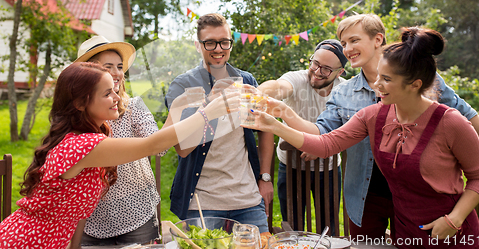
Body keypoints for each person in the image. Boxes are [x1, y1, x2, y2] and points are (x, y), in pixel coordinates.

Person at [246, 27, 479, 248]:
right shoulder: (373, 116)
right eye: (377, 77)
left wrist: (454, 219)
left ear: (415, 84)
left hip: (453, 234)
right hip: (408, 234)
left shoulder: (451, 122)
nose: (376, 85)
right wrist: (278, 119)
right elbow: (325, 144)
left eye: (386, 79)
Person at [0, 62, 238, 249]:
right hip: (27, 241)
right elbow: (150, 146)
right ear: (80, 103)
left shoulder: (91, 136)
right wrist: (207, 113)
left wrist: (176, 108)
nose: (116, 97)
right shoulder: (82, 145)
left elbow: (156, 143)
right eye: (107, 94)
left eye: (114, 90)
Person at [164, 13, 275, 233]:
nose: (218, 49)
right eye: (210, 43)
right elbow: (183, 149)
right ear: (198, 45)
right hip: (202, 203)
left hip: (247, 199)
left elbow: (264, 128)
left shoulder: (246, 81)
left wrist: (265, 177)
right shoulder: (183, 85)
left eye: (224, 42)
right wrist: (209, 106)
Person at [67, 35, 161, 246]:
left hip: (137, 213)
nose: (117, 73)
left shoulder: (132, 107)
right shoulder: (77, 118)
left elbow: (159, 148)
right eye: (108, 66)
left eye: (120, 66)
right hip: (90, 219)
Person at [258, 39, 347, 233]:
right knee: (292, 226)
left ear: (340, 72)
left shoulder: (345, 90)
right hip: (291, 167)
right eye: (315, 63)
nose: (316, 71)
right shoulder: (297, 78)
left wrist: (320, 147)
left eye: (326, 69)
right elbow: (279, 86)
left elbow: (349, 130)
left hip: (329, 169)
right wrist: (261, 93)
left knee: (329, 226)